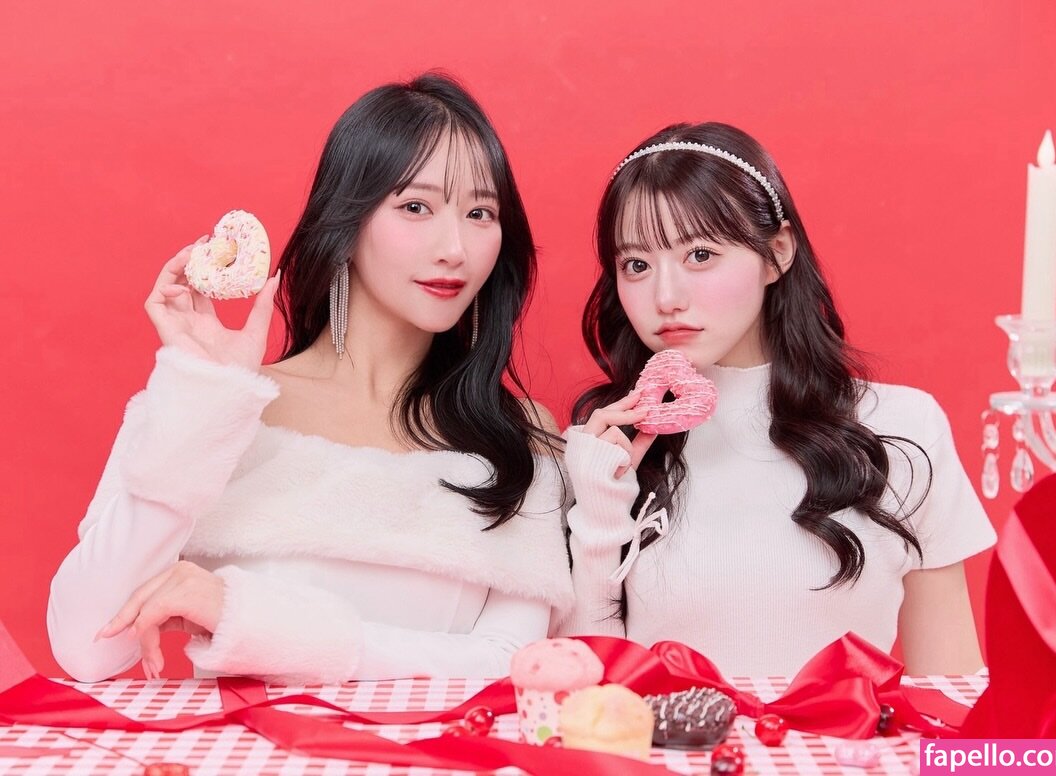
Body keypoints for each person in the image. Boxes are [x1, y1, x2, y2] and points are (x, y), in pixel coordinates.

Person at [48, 73, 572, 684]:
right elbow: (86, 647)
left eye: (480, 213)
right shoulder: (221, 408)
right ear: (347, 223)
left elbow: (511, 663)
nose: (454, 248)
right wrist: (205, 400)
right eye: (415, 207)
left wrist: (259, 624)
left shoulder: (516, 437)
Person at [557, 123, 996, 676]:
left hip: (852, 737)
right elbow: (587, 688)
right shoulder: (607, 447)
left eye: (700, 254)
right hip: (663, 737)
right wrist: (600, 506)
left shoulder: (903, 426)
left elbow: (951, 684)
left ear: (777, 253)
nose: (665, 297)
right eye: (637, 265)